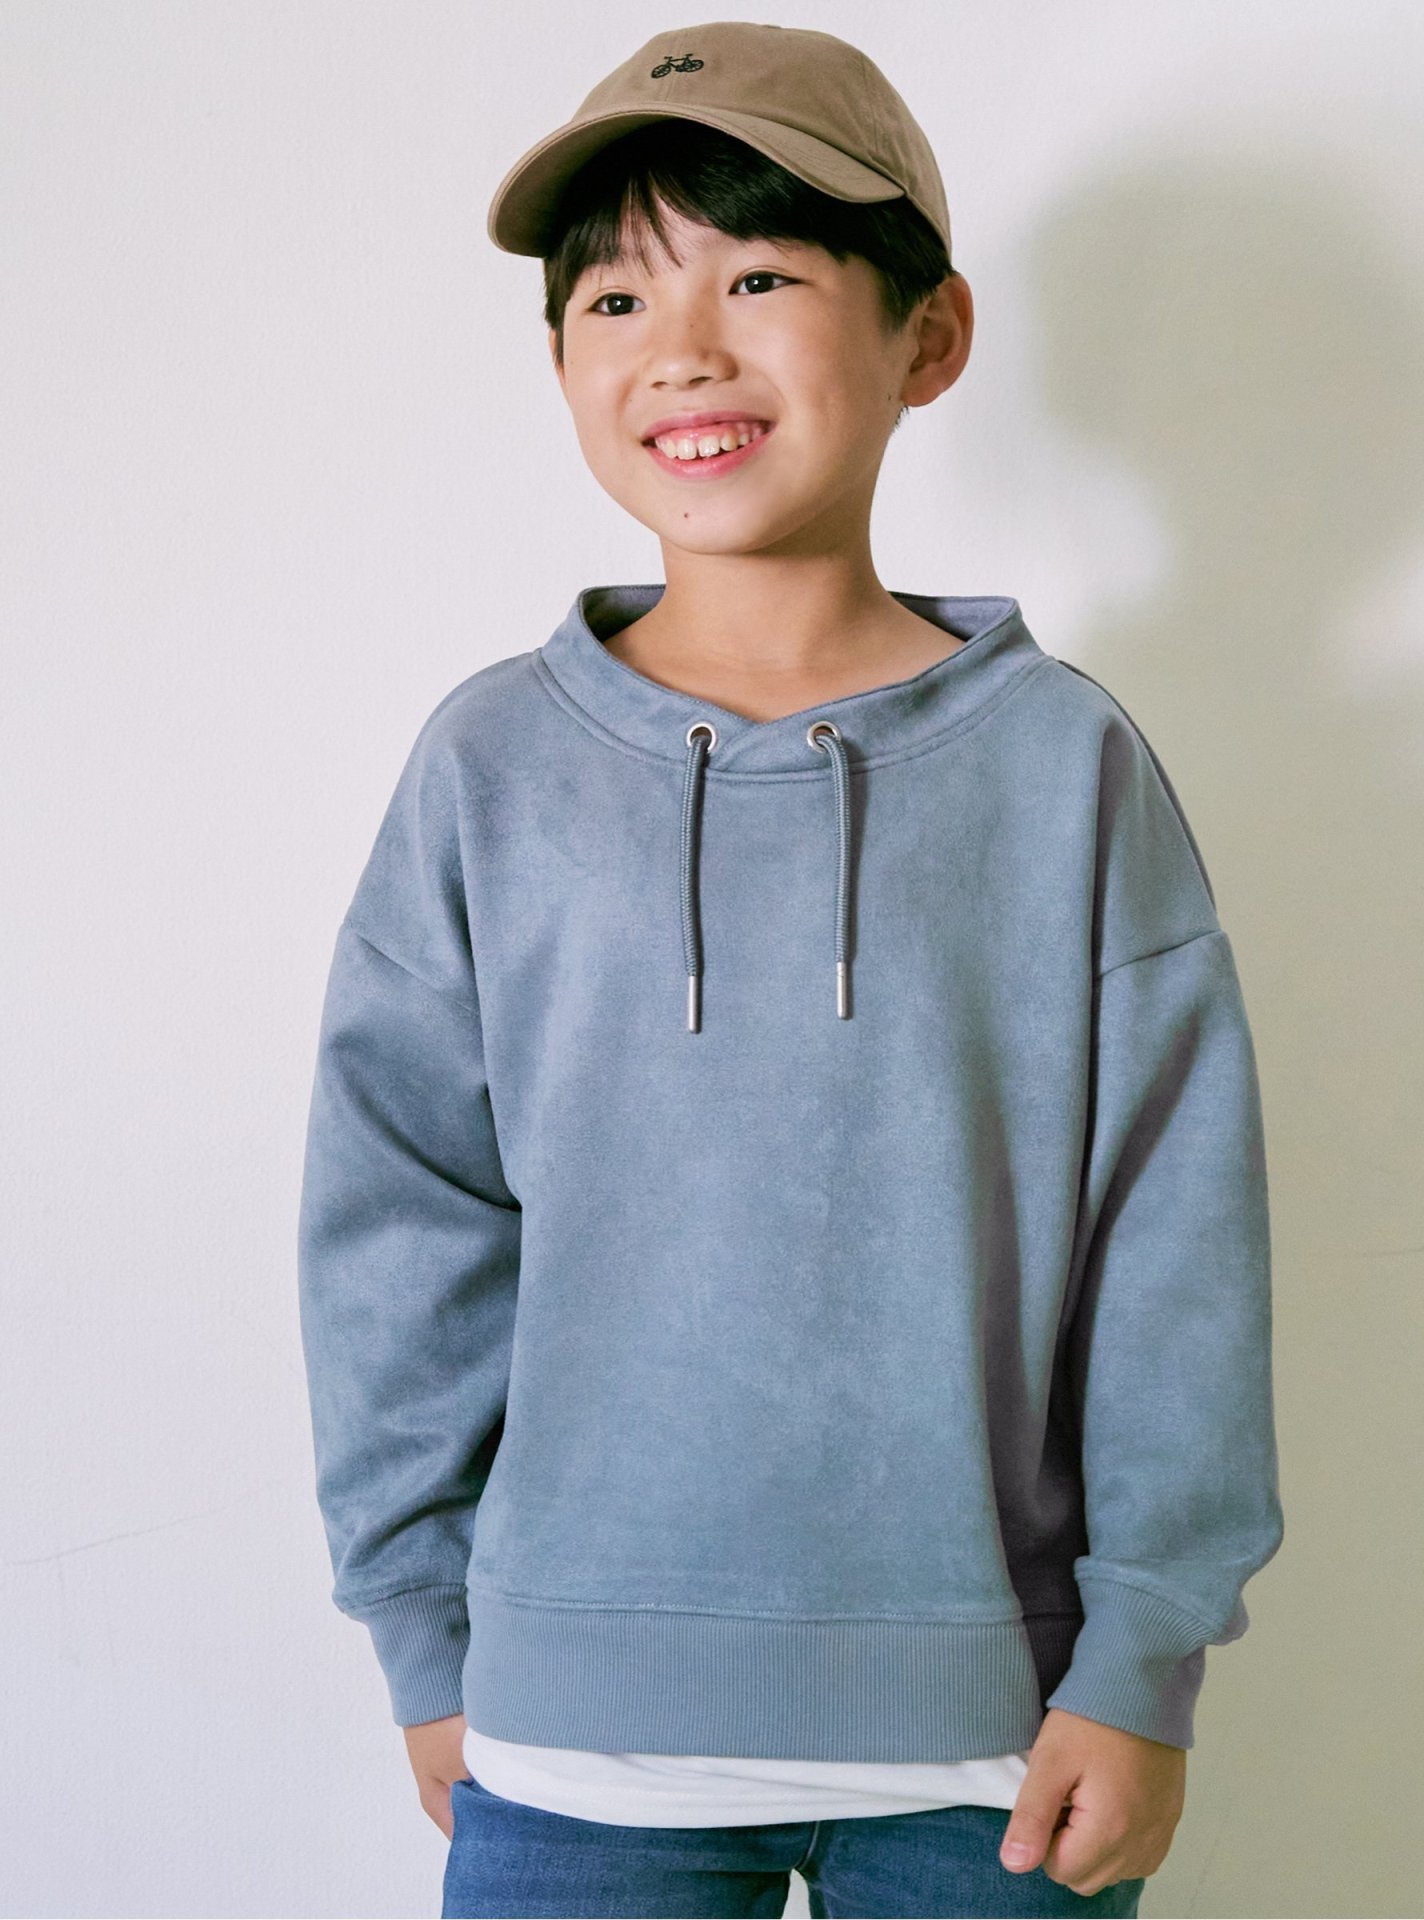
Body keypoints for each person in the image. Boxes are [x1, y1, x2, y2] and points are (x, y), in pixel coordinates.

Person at [295, 21, 1284, 1919]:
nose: (681, 348)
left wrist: (1145, 1655)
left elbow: (1176, 1238)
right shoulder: (490, 769)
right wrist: (422, 1629)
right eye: (614, 298)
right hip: (572, 1740)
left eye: (756, 277)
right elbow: (398, 1223)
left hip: (999, 1744)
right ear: (564, 367)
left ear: (930, 336)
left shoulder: (1063, 765)